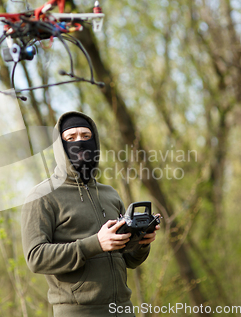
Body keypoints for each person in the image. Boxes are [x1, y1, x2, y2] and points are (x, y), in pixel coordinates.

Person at [21, 111, 160, 317]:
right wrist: (95, 243)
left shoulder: (109, 194)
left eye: (86, 136)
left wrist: (142, 243)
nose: (80, 142)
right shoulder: (42, 196)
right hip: (78, 312)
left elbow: (129, 260)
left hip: (123, 309)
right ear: (60, 146)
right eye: (71, 137)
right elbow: (35, 257)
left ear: (95, 142)